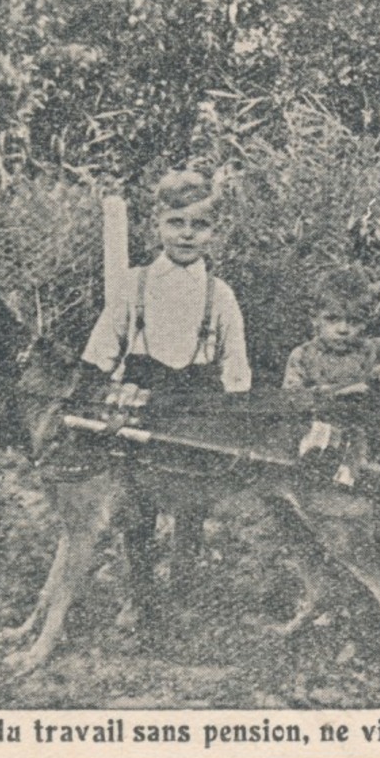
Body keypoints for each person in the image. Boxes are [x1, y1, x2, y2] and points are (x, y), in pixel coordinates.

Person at [79, 169, 251, 633]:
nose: (187, 234)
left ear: (214, 232)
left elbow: (236, 365)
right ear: (157, 223)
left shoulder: (220, 295)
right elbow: (99, 353)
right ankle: (137, 595)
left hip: (196, 408)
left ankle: (183, 591)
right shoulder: (133, 286)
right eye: (177, 222)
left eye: (199, 225)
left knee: (190, 507)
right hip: (139, 404)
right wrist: (96, 390)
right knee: (134, 507)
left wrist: (236, 411)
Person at [283, 265, 380, 485]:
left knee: (366, 439)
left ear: (364, 323)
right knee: (315, 438)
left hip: (360, 431)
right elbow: (291, 398)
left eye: (353, 321)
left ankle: (351, 482)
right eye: (332, 319)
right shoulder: (304, 355)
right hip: (316, 428)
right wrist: (334, 392)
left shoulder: (368, 349)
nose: (343, 329)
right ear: (315, 319)